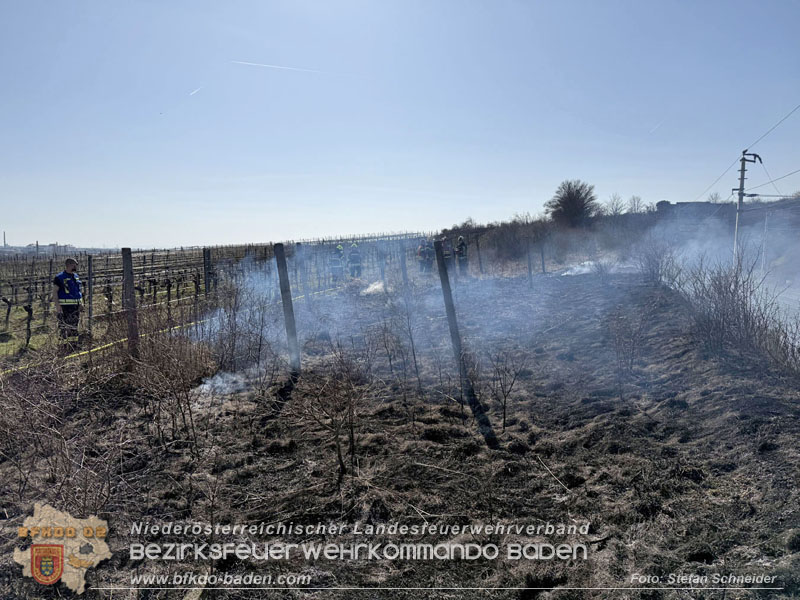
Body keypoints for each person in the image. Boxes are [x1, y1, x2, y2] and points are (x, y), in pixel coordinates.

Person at [52, 258, 83, 349]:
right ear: (69, 265)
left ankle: (74, 345)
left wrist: (81, 303)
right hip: (65, 306)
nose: (76, 266)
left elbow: (78, 291)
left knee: (74, 325)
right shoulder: (59, 277)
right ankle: (64, 346)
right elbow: (55, 292)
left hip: (75, 306)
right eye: (74, 265)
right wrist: (58, 306)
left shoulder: (76, 276)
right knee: (64, 326)